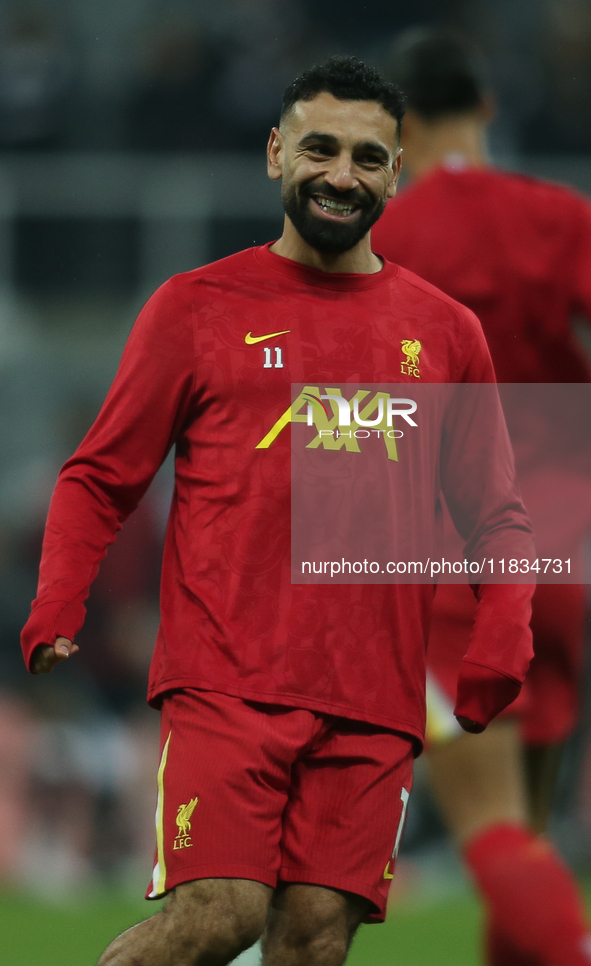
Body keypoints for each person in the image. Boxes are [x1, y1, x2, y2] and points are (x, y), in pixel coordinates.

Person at [21, 56, 535, 966]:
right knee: (218, 915)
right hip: (226, 680)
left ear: (395, 173)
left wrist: (503, 631)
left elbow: (496, 512)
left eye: (369, 157)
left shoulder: (447, 332)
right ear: (274, 154)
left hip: (373, 701)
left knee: (311, 942)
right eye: (320, 148)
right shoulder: (195, 307)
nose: (343, 174)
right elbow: (102, 476)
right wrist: (61, 599)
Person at [373, 30, 591, 966]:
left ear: (402, 128)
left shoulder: (381, 239)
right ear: (487, 111)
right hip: (566, 546)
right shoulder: (561, 216)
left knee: (487, 825)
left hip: (451, 556)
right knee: (529, 834)